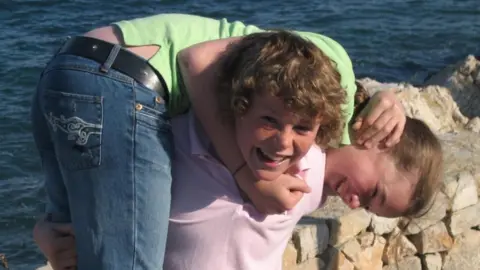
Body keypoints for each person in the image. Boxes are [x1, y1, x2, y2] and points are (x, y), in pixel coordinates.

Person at [33, 31, 442, 270]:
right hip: (122, 76)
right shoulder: (281, 149)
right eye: (372, 193)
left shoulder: (290, 170)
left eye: (366, 208)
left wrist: (57, 224)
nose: (353, 202)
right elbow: (199, 61)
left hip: (70, 73)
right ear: (379, 137)